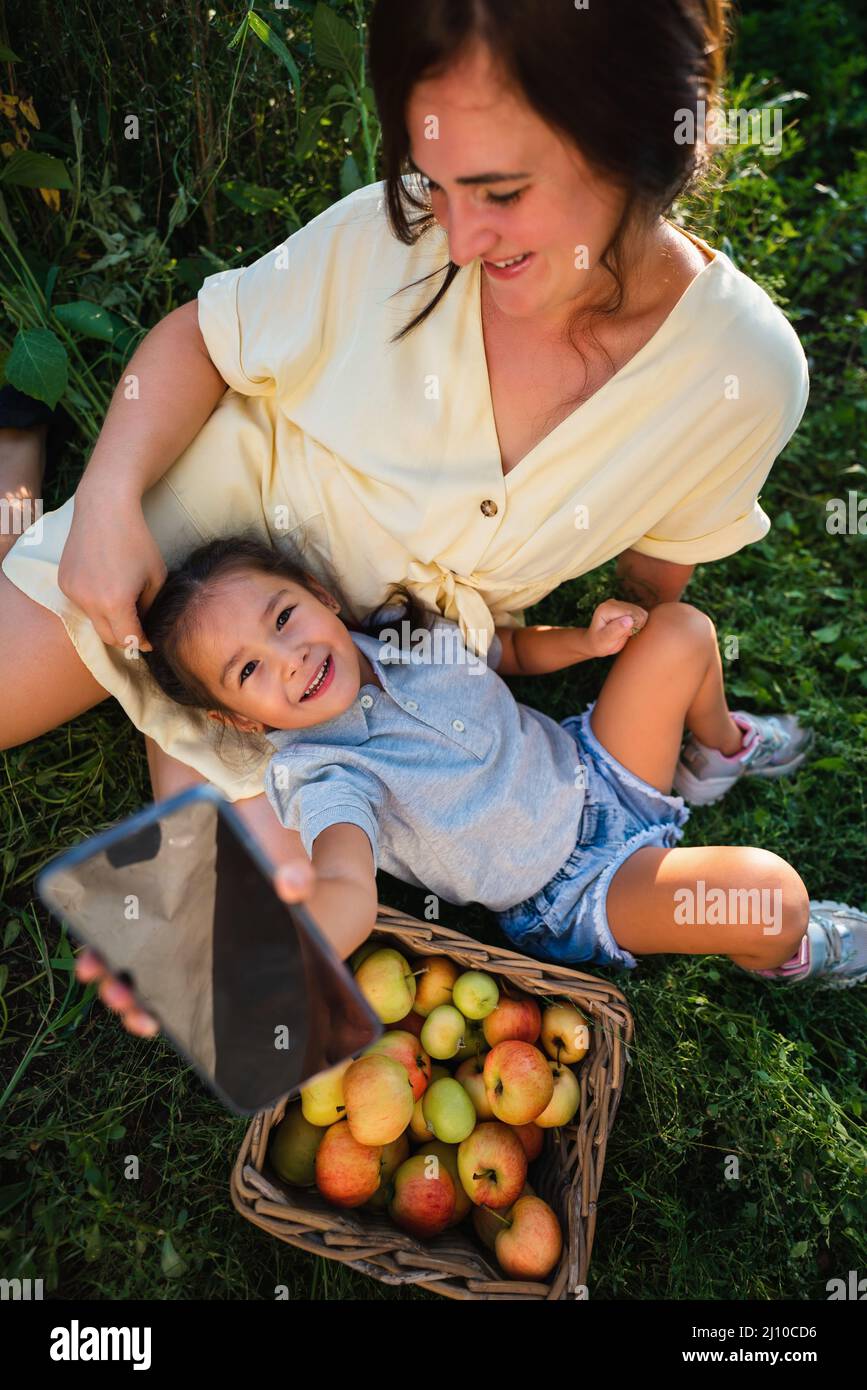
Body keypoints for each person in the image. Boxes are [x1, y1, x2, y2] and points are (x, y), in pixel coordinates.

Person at [0, 1, 811, 1024]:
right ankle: (22, 464)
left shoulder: (742, 374)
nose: (459, 235)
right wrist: (112, 501)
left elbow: (661, 564)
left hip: (325, 680)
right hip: (203, 534)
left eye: (502, 191)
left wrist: (623, 648)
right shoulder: (397, 234)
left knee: (254, 1009)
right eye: (436, 180)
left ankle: (21, 464)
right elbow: (203, 341)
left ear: (641, 141)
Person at [126, 532, 865, 999]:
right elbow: (344, 876)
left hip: (593, 768)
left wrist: (585, 643)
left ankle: (712, 753)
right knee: (769, 900)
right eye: (249, 670)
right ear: (239, 718)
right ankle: (787, 952)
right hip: (571, 887)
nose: (291, 659)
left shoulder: (400, 633)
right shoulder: (321, 773)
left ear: (320, 596)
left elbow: (506, 653)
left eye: (284, 618)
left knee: (678, 628)